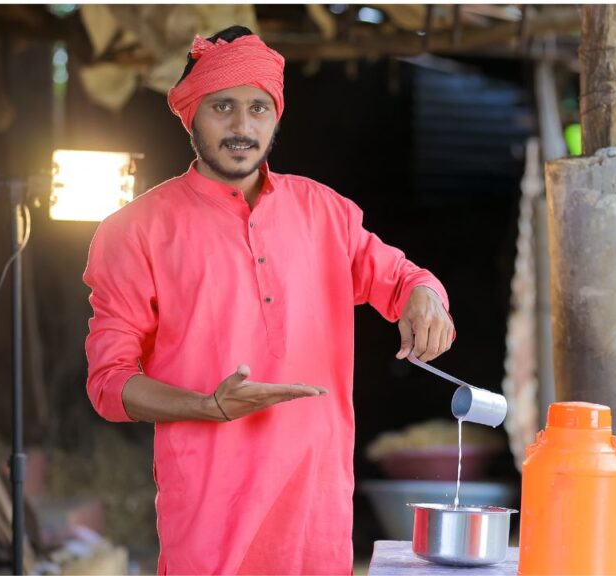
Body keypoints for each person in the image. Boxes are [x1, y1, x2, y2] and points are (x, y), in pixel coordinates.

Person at [82, 25, 455, 575]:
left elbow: (400, 277)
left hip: (316, 517)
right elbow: (108, 383)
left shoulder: (326, 213)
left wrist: (425, 296)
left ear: (276, 115)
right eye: (223, 106)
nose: (242, 125)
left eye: (259, 107)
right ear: (191, 115)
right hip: (209, 521)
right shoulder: (135, 231)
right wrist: (209, 406)